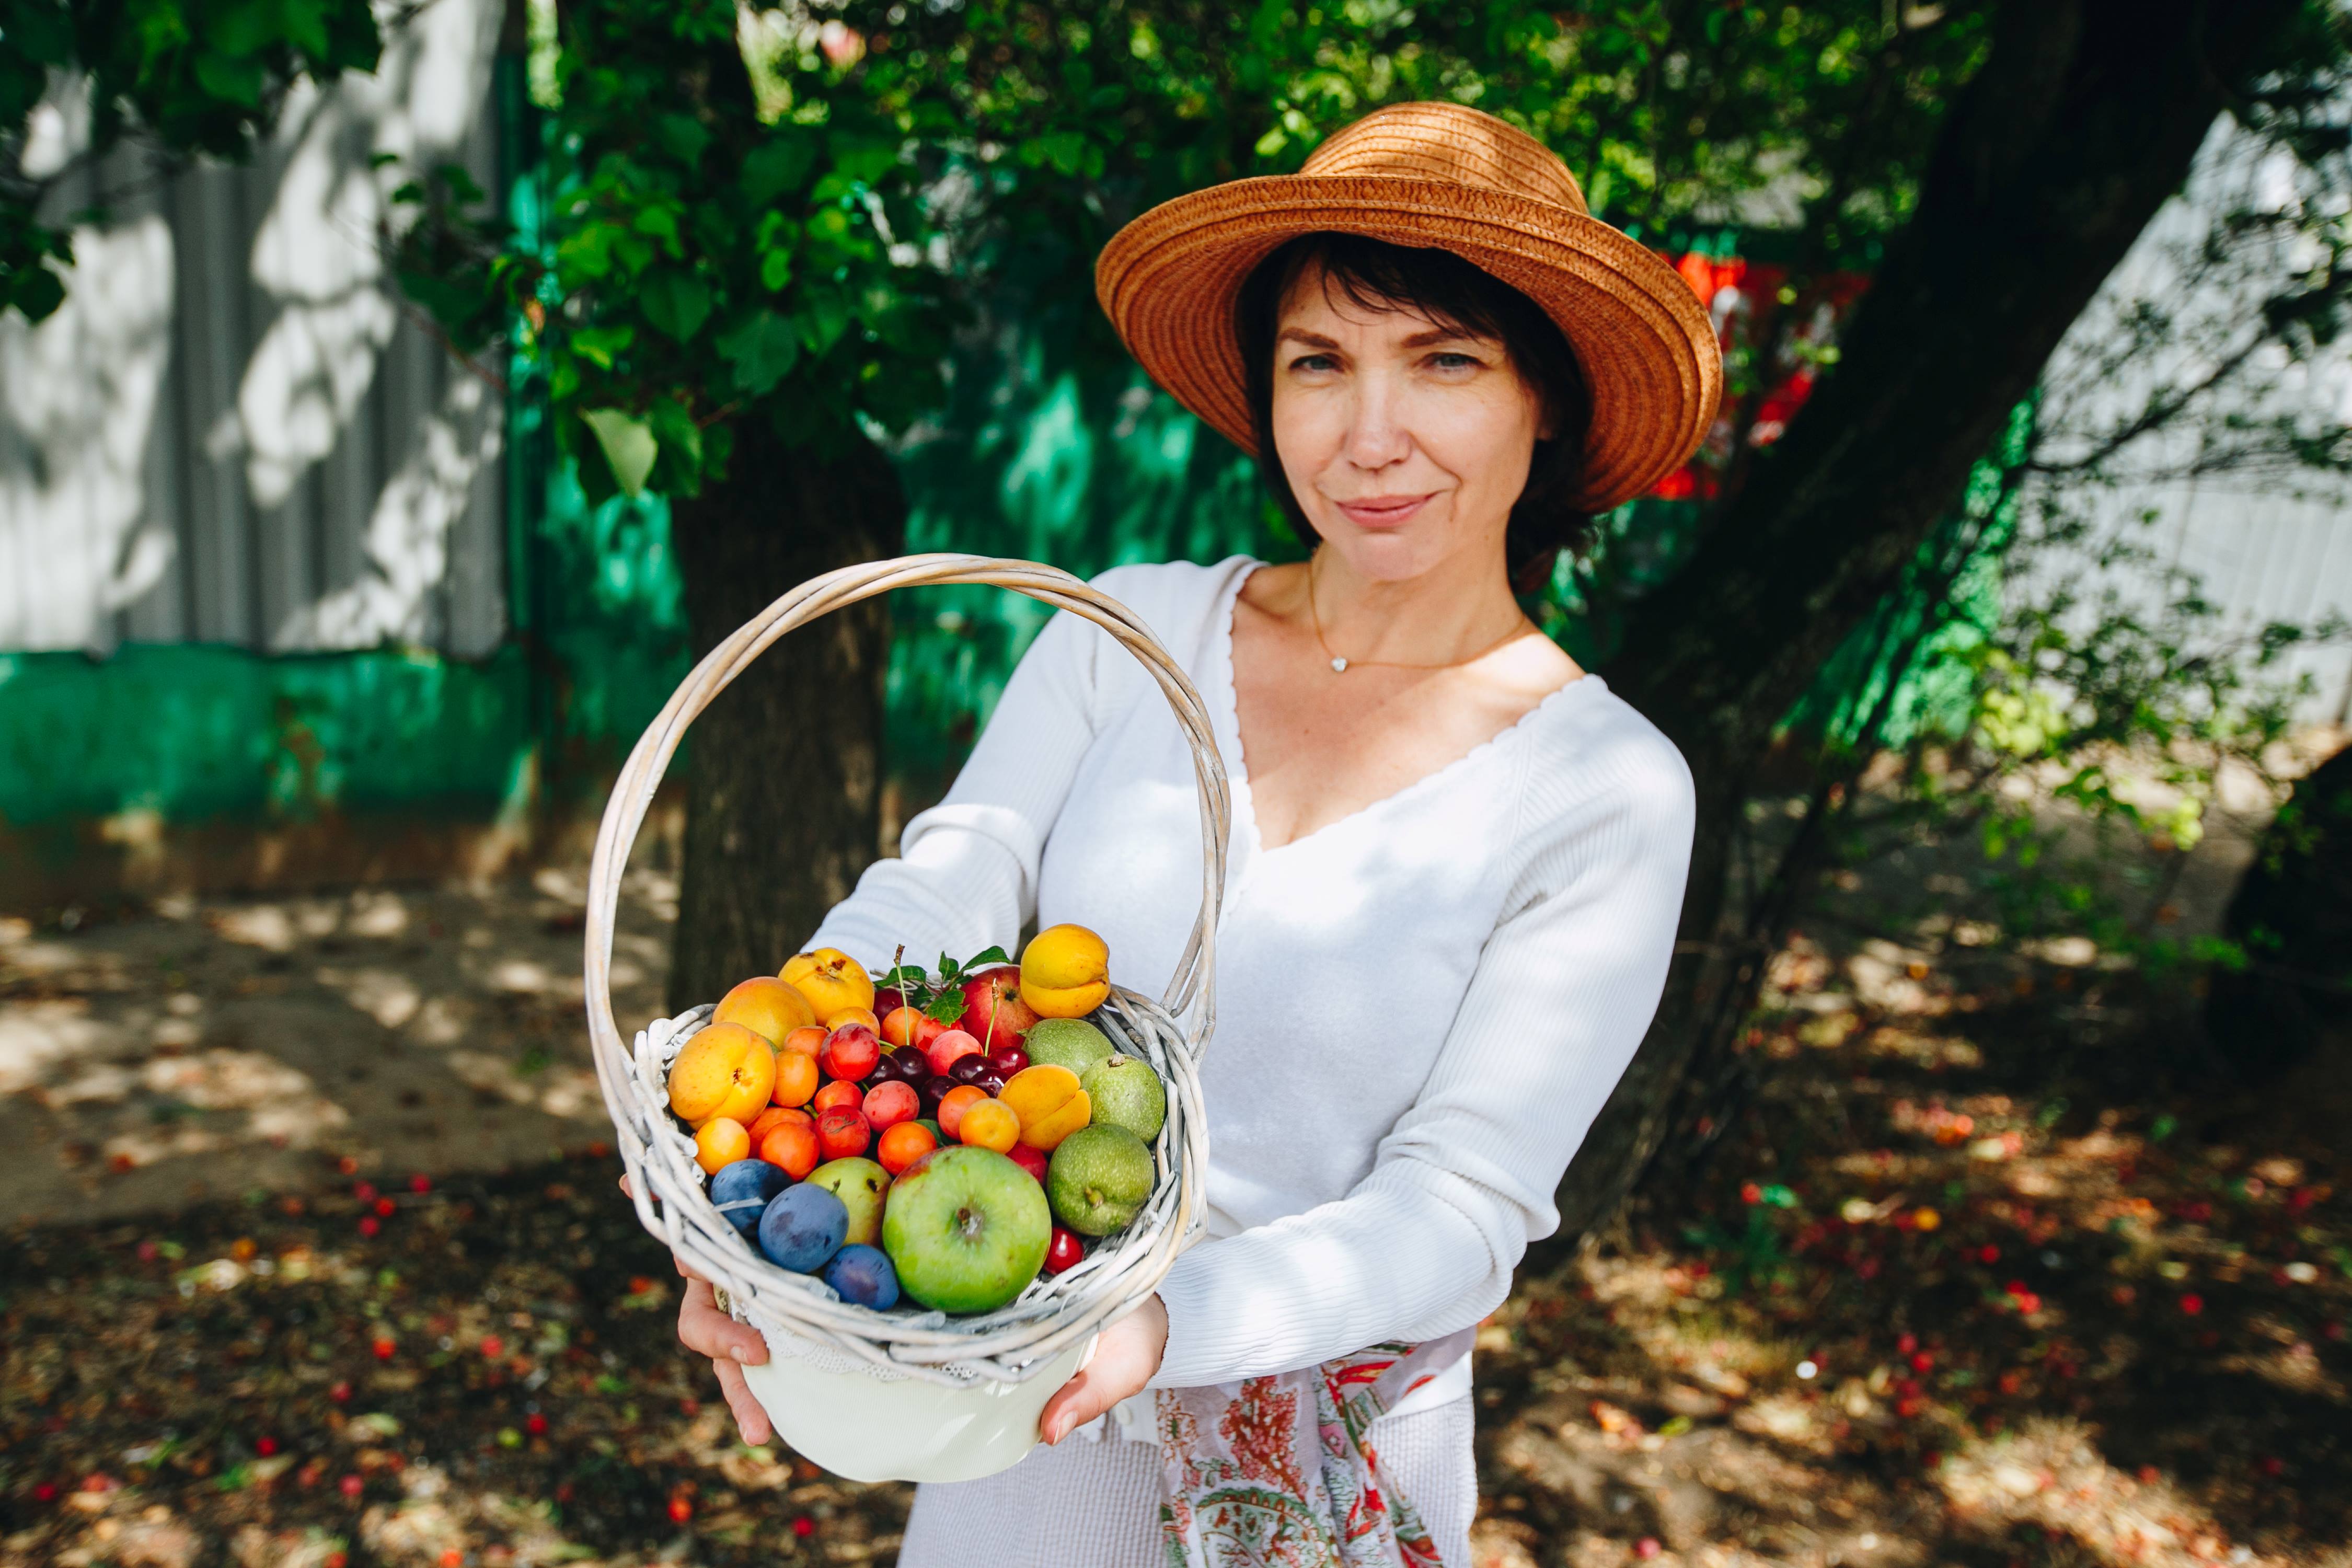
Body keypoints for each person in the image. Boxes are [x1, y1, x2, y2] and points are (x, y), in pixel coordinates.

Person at [671, 100, 1721, 1565]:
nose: (1369, 435)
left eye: (1445, 362)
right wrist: (755, 1175)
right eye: (1318, 364)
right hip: (1015, 1420)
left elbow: (1462, 1204)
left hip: (1320, 1472)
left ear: (1543, 400)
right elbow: (944, 888)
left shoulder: (1604, 788)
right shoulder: (1135, 630)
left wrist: (1167, 1327)